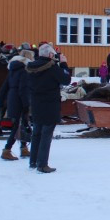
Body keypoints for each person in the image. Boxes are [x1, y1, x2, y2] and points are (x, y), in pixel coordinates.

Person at [25, 43, 70, 173]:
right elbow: (66, 79)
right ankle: (42, 164)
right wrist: (64, 64)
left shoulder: (30, 67)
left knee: (37, 133)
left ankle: (33, 161)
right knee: (46, 135)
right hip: (50, 105)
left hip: (36, 104)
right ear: (50, 54)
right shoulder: (52, 68)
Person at [0, 49, 33, 161]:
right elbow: (23, 89)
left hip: (12, 99)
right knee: (18, 127)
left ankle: (23, 148)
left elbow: (4, 87)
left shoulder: (12, 70)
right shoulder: (25, 71)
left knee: (22, 124)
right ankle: (7, 150)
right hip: (20, 100)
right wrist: (26, 105)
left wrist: (0, 102)